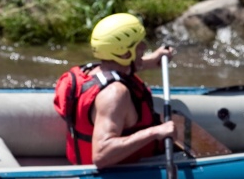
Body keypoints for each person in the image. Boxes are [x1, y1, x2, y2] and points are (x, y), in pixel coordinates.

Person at [54, 13, 176, 169]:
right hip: (115, 177)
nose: (144, 47)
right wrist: (154, 132)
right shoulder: (115, 95)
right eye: (139, 44)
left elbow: (121, 68)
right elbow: (101, 155)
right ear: (125, 53)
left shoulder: (90, 71)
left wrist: (152, 60)